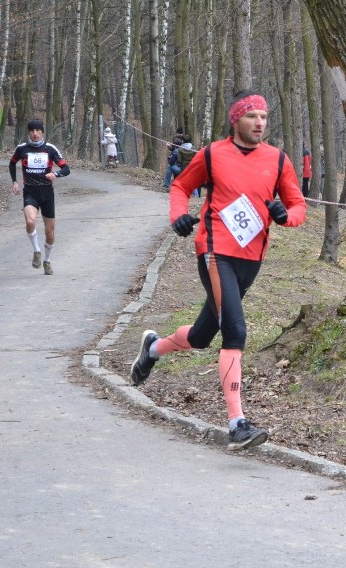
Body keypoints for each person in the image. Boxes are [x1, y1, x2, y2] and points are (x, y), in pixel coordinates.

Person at [130, 90, 307, 450]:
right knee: (236, 332)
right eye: (252, 116)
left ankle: (152, 349)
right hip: (214, 251)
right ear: (235, 120)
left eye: (264, 117)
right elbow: (181, 185)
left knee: (200, 336)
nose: (259, 123)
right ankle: (237, 423)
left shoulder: (277, 160)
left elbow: (297, 205)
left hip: (251, 258)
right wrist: (178, 215)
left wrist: (285, 217)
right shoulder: (213, 154)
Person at [9, 119, 70, 275]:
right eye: (32, 131)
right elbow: (12, 163)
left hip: (47, 193)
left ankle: (47, 261)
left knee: (50, 232)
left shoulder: (50, 149)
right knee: (30, 221)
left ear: (42, 132)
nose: (35, 134)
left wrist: (55, 174)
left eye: (38, 131)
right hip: (30, 191)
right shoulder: (22, 149)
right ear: (28, 132)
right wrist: (15, 181)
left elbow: (66, 169)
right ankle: (36, 251)